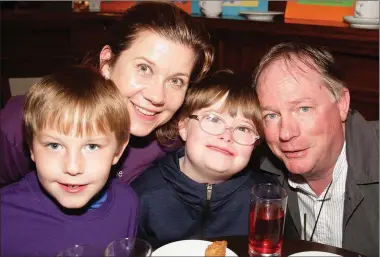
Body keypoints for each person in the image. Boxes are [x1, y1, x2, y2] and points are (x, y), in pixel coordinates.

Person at [0, 1, 214, 187]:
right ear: (107, 62)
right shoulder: (24, 121)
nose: (157, 97)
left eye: (176, 81)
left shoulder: (171, 138)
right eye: (144, 69)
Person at [252, 42, 378, 257]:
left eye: (303, 108)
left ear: (341, 104)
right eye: (271, 115)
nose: (286, 133)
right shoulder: (256, 170)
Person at [1, 66, 139, 257]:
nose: (73, 167)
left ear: (118, 151)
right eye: (55, 146)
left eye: (91, 147)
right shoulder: (5, 216)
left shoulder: (128, 204)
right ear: (31, 148)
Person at [131, 70, 277, 249]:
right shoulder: (143, 196)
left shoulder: (266, 200)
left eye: (243, 129)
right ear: (183, 126)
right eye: (213, 119)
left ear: (255, 144)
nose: (226, 136)